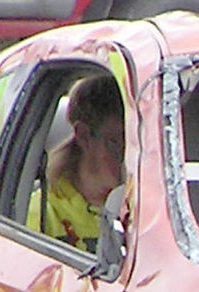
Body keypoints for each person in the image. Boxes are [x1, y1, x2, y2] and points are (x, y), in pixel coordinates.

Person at [27, 75, 125, 253]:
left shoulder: (148, 209)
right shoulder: (43, 212)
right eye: (117, 145)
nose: (129, 158)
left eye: (138, 144)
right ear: (84, 136)